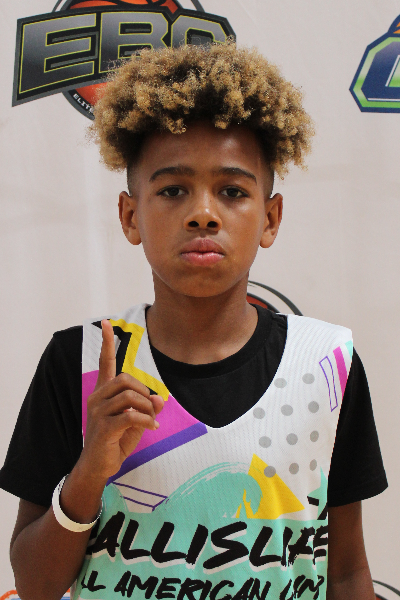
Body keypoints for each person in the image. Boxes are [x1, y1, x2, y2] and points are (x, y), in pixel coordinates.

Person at [0, 42, 387, 600]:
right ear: (130, 216)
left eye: (232, 191)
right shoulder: (81, 361)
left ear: (270, 218)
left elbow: (346, 573)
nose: (203, 212)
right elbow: (34, 585)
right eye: (173, 189)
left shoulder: (328, 365)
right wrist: (90, 471)